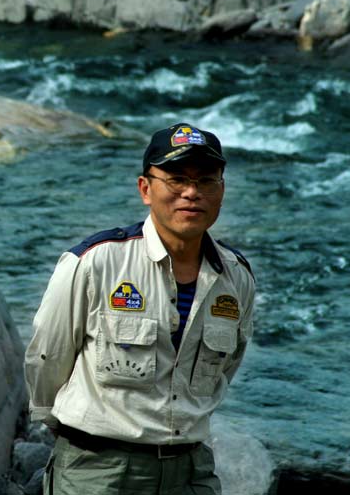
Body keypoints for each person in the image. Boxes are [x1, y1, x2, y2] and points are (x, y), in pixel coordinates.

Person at [25, 123, 255, 495]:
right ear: (145, 189)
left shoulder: (236, 277)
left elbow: (227, 367)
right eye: (176, 179)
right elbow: (47, 356)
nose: (191, 192)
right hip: (99, 471)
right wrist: (64, 429)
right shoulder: (96, 262)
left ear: (222, 190)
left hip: (190, 469)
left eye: (206, 180)